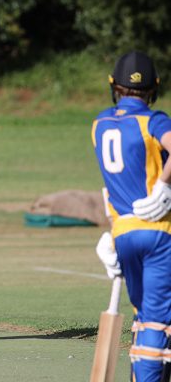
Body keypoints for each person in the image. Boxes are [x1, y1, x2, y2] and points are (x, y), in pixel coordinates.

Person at [92, 51, 171, 381]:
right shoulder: (154, 121)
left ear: (115, 86)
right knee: (156, 320)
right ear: (152, 88)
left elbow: (112, 187)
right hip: (159, 233)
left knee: (144, 315)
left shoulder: (98, 125)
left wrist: (111, 234)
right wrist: (164, 185)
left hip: (124, 234)